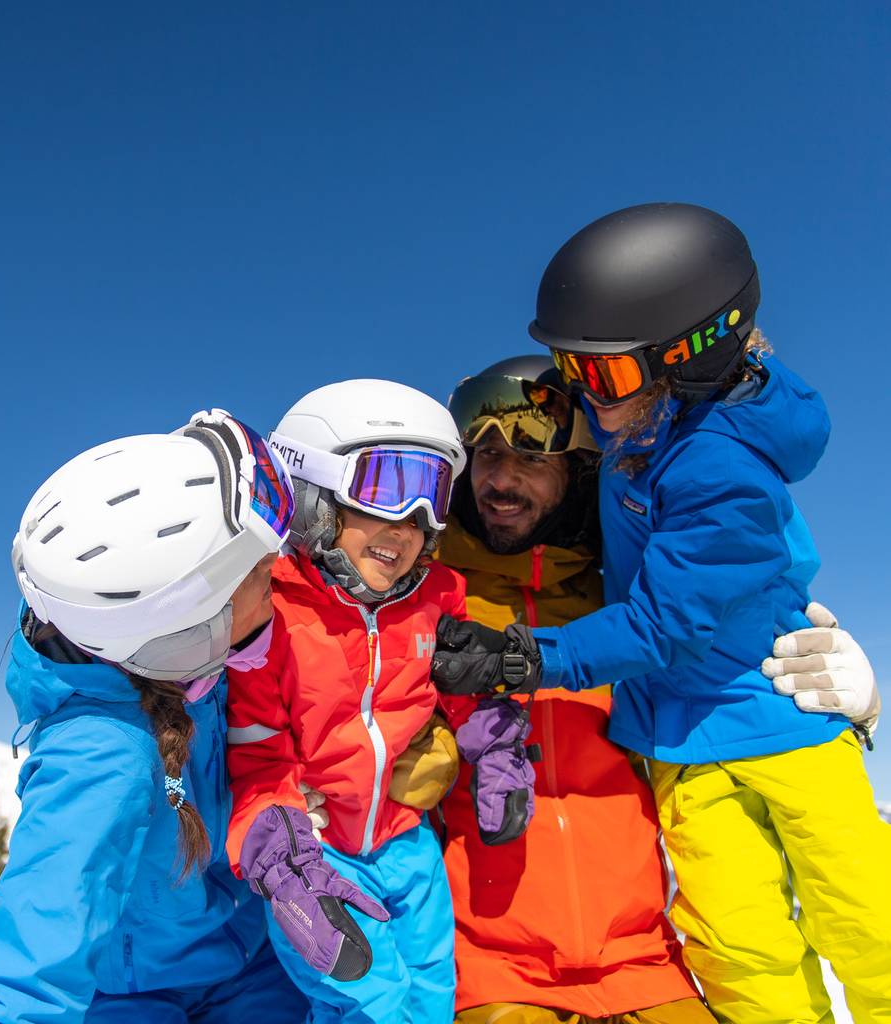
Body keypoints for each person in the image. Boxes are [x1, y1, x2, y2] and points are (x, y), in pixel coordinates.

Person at [430, 203, 891, 1022]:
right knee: (737, 942)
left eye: (597, 380)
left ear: (686, 364)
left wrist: (523, 657)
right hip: (673, 749)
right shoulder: (631, 440)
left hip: (773, 726)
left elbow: (664, 620)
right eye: (573, 373)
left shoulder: (712, 464)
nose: (584, 398)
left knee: (864, 917)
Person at [0, 411, 309, 1024]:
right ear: (184, 627)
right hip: (138, 998)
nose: (278, 581)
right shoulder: (104, 754)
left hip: (251, 965)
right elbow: (31, 956)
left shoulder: (202, 674)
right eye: (256, 573)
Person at [397, 355, 713, 1023]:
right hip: (489, 969)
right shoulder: (423, 602)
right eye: (484, 456)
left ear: (575, 474)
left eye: (531, 459)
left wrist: (808, 688)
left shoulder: (625, 607)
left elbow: (714, 673)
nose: (501, 479)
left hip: (647, 962)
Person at [225, 379, 499, 1023]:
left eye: (430, 499)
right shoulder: (273, 609)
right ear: (315, 494)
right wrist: (282, 850)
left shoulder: (436, 597)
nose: (406, 526)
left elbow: (459, 686)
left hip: (408, 844)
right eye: (383, 490)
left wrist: (496, 737)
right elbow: (258, 756)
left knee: (432, 998)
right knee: (367, 1004)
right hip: (320, 856)